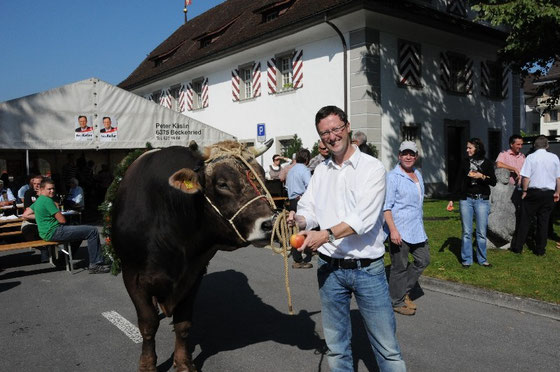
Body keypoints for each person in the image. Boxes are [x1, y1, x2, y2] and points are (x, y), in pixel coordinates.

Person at [287, 105, 406, 371]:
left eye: (335, 129)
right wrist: (301, 220)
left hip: (368, 270)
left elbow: (363, 219)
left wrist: (325, 235)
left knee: (387, 350)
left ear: (347, 127)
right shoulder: (321, 172)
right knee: (337, 348)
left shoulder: (372, 168)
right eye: (324, 133)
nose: (331, 136)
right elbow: (309, 207)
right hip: (330, 269)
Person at [22, 178, 110, 274]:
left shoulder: (38, 201)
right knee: (92, 230)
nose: (52, 191)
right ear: (42, 189)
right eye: (49, 189)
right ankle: (95, 264)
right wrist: (54, 211)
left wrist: (41, 216)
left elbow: (25, 215)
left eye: (53, 188)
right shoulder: (48, 201)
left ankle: (62, 260)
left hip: (45, 233)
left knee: (80, 234)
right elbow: (62, 220)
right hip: (55, 231)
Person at [384, 141, 430, 316]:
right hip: (400, 229)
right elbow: (386, 207)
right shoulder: (393, 177)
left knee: (423, 259)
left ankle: (402, 291)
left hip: (417, 229)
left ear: (416, 156)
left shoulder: (418, 174)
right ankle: (396, 300)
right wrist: (393, 230)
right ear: (399, 156)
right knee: (399, 267)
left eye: (411, 154)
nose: (408, 157)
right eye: (405, 154)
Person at [447, 138, 496, 268]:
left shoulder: (487, 163)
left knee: (481, 232)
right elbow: (458, 180)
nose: (467, 150)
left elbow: (493, 181)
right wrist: (451, 199)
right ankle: (467, 260)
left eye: (470, 148)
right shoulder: (464, 162)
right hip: (466, 199)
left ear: (477, 148)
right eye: (467, 147)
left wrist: (482, 176)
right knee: (467, 232)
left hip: (482, 200)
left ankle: (482, 259)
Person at [511, 136, 560, 256]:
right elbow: (558, 178)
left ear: (534, 146)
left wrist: (524, 191)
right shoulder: (554, 158)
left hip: (533, 192)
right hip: (548, 193)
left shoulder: (531, 157)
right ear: (547, 145)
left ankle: (518, 246)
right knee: (543, 221)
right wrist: (558, 192)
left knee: (525, 219)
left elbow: (526, 177)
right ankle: (540, 249)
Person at [285, 148, 312, 269]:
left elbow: (286, 186)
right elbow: (310, 186)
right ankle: (298, 257)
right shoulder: (305, 170)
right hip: (301, 200)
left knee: (295, 228)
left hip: (292, 200)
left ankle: (298, 250)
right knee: (301, 229)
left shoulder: (291, 170)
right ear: (307, 159)